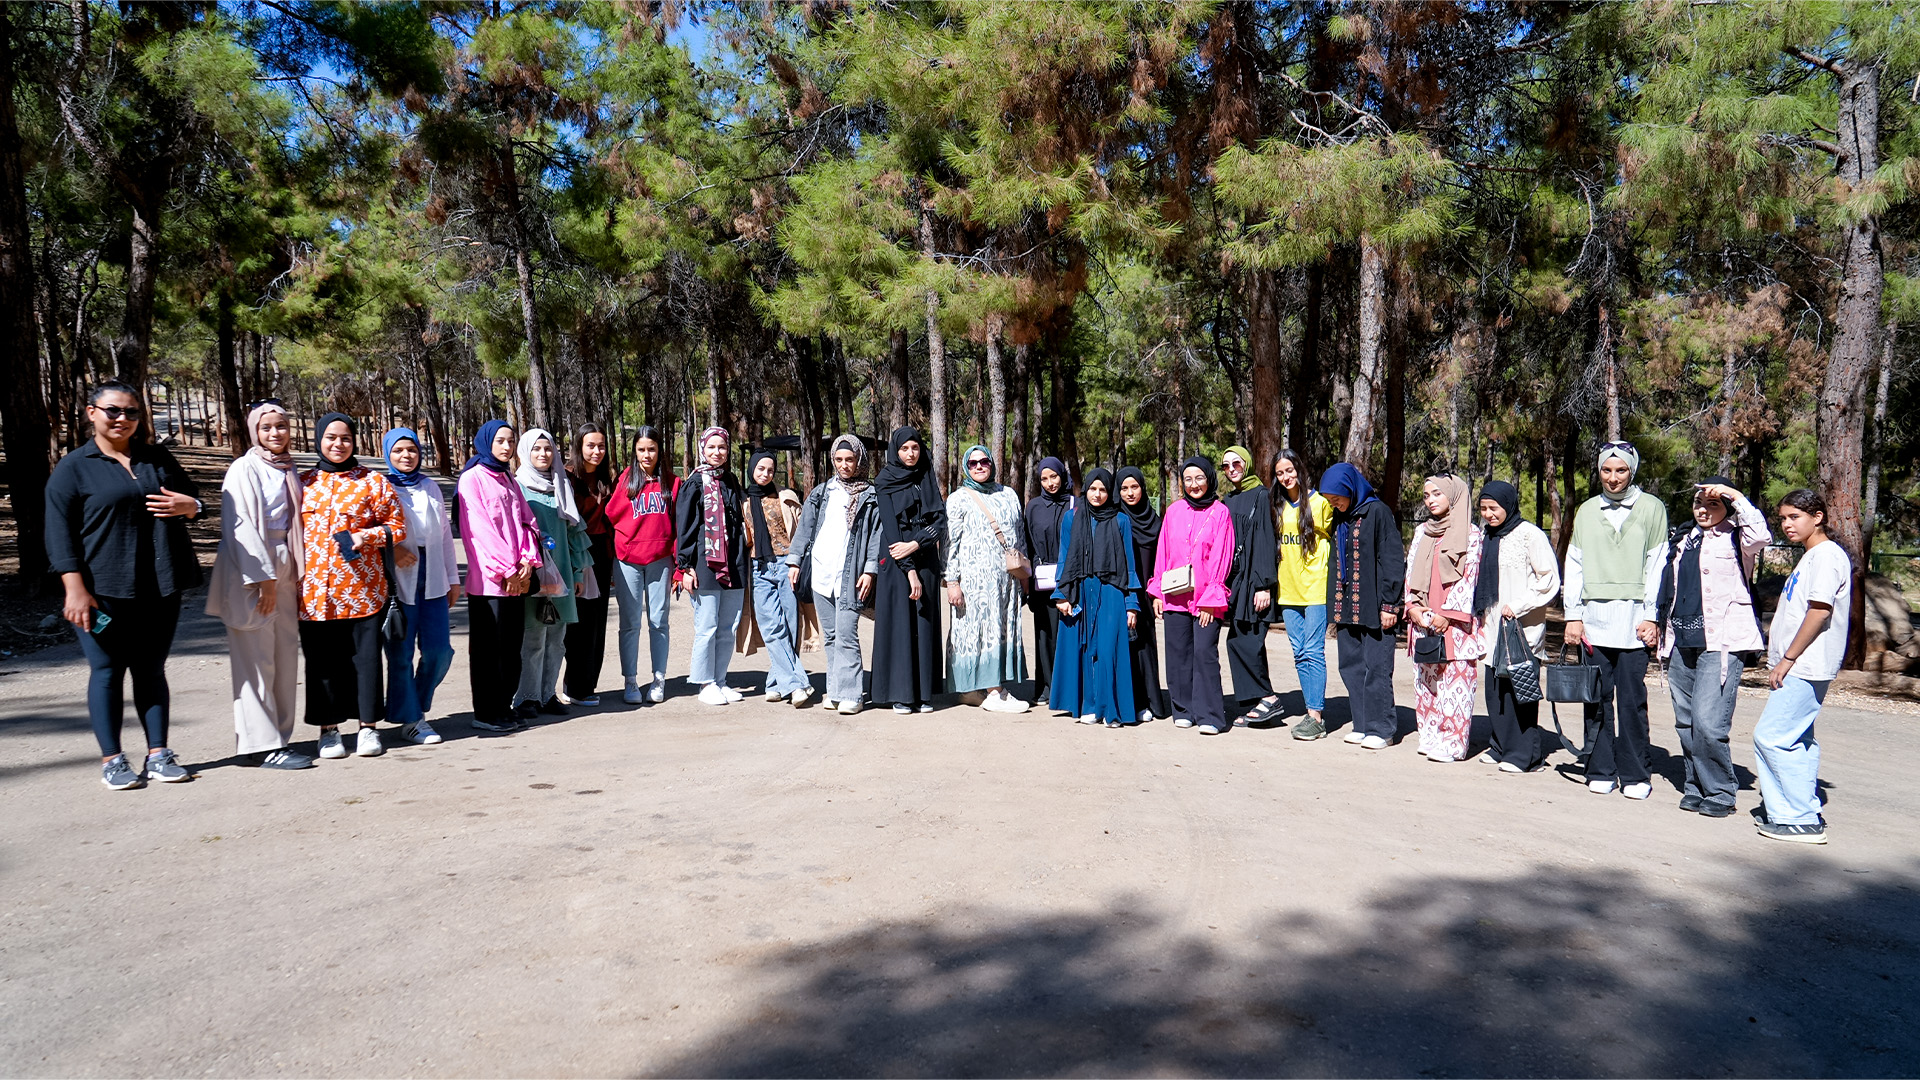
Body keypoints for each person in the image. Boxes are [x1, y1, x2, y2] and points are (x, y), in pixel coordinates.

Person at [47, 380, 205, 788]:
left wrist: (192, 506)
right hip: (102, 590)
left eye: (131, 412)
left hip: (160, 584)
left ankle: (159, 754)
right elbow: (59, 533)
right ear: (91, 413)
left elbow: (193, 501)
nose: (122, 419)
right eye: (113, 410)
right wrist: (74, 589)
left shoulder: (156, 458)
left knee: (151, 669)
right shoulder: (74, 467)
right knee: (107, 670)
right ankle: (113, 760)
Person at [206, 401, 313, 771]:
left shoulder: (288, 468)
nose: (275, 433)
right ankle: (261, 745)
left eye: (281, 426)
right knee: (255, 659)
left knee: (284, 656)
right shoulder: (244, 468)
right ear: (255, 431)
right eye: (266, 427)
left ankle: (280, 737)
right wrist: (263, 580)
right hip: (252, 569)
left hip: (286, 562)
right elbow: (240, 527)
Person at [1656, 477, 1769, 815]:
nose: (1703, 510)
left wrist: (1735, 496)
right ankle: (1695, 785)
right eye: (1699, 504)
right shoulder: (1683, 539)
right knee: (1685, 720)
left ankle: (1720, 791)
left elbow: (1761, 535)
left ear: (1728, 509)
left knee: (1708, 722)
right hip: (1680, 639)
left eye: (1713, 504)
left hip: (1721, 642)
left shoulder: (1738, 537)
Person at [1562, 441, 1668, 799]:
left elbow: (1657, 564)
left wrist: (1651, 615)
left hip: (1634, 621)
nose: (1613, 477)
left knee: (1632, 702)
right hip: (1593, 621)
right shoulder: (1587, 510)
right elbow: (1574, 564)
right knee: (1596, 698)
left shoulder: (1652, 508)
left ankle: (1636, 774)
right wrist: (1573, 615)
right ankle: (1600, 768)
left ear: (1632, 470)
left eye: (1620, 470)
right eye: (1606, 470)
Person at [298, 412, 407, 760]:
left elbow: (397, 527)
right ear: (319, 440)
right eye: (331, 437)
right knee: (321, 664)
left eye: (345, 438)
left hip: (363, 591)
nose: (338, 444)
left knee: (366, 661)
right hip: (315, 595)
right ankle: (328, 730)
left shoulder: (372, 482)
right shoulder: (302, 483)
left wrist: (367, 536)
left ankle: (367, 728)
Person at [1752, 489, 1849, 844]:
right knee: (1798, 739)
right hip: (1799, 664)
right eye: (1783, 518)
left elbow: (1819, 612)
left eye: (1795, 517)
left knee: (1772, 737)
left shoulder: (1826, 556)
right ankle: (1802, 812)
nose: (1787, 524)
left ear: (1817, 517)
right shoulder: (1812, 556)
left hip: (1805, 665)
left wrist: (1788, 659)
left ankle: (1798, 818)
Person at [457, 420, 543, 733]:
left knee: (510, 648)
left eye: (510, 441)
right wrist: (507, 569)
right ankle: (486, 711)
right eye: (500, 441)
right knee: (487, 651)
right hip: (490, 582)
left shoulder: (508, 478)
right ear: (486, 443)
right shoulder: (472, 479)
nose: (507, 447)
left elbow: (527, 522)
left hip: (517, 579)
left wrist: (527, 561)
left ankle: (504, 706)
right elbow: (479, 531)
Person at [786, 434, 881, 714]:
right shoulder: (822, 492)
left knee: (846, 633)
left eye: (850, 459)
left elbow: (875, 536)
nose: (844, 465)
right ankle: (835, 690)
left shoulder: (871, 496)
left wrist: (870, 570)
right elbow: (805, 528)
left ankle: (852, 695)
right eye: (839, 459)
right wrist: (794, 562)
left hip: (851, 574)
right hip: (821, 572)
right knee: (829, 636)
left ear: (860, 460)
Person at [1472, 481, 1561, 773]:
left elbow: (1548, 579)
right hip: (1492, 627)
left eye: (1493, 508)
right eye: (1483, 508)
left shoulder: (1529, 535)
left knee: (1519, 690)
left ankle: (1524, 755)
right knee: (1495, 691)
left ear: (1508, 506)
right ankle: (1500, 746)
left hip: (1521, 628)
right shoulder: (1488, 536)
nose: (1488, 514)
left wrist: (1519, 605)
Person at [380, 427, 461, 746]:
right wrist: (392, 549)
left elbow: (444, 535)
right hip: (397, 579)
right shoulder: (380, 486)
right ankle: (412, 720)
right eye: (398, 450)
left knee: (439, 652)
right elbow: (369, 530)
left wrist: (453, 578)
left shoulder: (429, 486)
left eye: (412, 449)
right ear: (388, 454)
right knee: (400, 654)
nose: (406, 455)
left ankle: (412, 703)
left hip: (434, 576)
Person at [1320, 463, 1404, 750]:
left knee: (1377, 667)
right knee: (1350, 666)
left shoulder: (1377, 512)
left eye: (1337, 498)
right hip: (1347, 605)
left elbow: (1392, 558)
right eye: (1330, 500)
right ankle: (1362, 724)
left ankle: (1381, 729)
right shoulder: (1340, 517)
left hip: (1375, 605)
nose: (1334, 504)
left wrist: (1390, 604)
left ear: (1351, 490)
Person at [1149, 457, 1235, 735]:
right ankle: (1183, 709)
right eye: (1188, 479)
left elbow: (1222, 557)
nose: (1194, 484)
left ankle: (1209, 714)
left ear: (1209, 479)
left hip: (1206, 598)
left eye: (1199, 478)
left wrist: (1211, 600)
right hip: (1174, 595)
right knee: (1177, 654)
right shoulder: (1174, 511)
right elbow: (1163, 552)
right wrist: (1157, 592)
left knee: (1204, 653)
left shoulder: (1220, 513)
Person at [1050, 469, 1142, 726]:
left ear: (1110, 492)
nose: (1097, 494)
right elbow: (1064, 557)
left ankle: (1111, 710)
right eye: (1093, 489)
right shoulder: (1072, 518)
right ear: (1085, 490)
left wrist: (1131, 603)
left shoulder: (1121, 520)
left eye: (1103, 490)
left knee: (1108, 649)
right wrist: (1061, 594)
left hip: (1112, 590)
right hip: (1080, 588)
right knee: (1084, 649)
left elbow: (1129, 564)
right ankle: (1089, 706)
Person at [1403, 473, 1484, 762]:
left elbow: (1470, 578)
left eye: (1437, 494)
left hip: (1454, 623)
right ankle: (1431, 735)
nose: (1430, 500)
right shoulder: (1422, 532)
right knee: (1427, 682)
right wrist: (1412, 606)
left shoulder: (1470, 534)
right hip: (1423, 617)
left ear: (1453, 495)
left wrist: (1448, 615)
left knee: (1455, 683)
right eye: (1426, 495)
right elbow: (1411, 571)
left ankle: (1453, 743)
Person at [944, 445, 1031, 713]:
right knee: (972, 632)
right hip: (973, 583)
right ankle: (994, 693)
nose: (979, 466)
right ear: (966, 467)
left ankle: (977, 690)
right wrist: (952, 582)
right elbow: (951, 544)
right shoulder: (958, 499)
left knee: (998, 629)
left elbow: (1019, 535)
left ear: (992, 464)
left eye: (984, 461)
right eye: (973, 463)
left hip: (1005, 581)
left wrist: (1024, 576)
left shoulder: (1008, 495)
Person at [515, 427, 590, 717]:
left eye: (547, 448)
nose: (543, 454)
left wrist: (579, 574)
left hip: (562, 573)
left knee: (557, 639)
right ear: (526, 452)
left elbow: (573, 533)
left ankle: (548, 694)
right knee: (533, 638)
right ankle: (527, 697)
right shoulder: (518, 486)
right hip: (534, 575)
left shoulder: (561, 485)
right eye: (536, 448)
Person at [871, 427, 947, 713]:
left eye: (915, 448)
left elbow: (939, 521)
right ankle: (901, 694)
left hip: (924, 554)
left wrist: (917, 543)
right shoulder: (884, 480)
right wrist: (909, 570)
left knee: (924, 621)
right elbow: (891, 529)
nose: (911, 454)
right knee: (900, 624)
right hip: (896, 559)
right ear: (896, 450)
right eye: (904, 449)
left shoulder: (926, 475)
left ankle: (924, 693)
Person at [605, 426, 680, 704]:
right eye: (641, 450)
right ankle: (631, 680)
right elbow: (611, 514)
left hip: (661, 560)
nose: (646, 455)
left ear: (659, 451)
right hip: (628, 560)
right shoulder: (626, 480)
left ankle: (659, 679)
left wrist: (678, 565)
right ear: (634, 452)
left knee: (659, 621)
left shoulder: (672, 482)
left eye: (651, 449)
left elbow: (678, 525)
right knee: (630, 623)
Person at [677, 426, 750, 706]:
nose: (717, 452)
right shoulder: (695, 483)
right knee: (707, 626)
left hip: (734, 562)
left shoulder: (731, 480)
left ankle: (720, 680)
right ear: (702, 449)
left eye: (722, 447)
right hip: (705, 564)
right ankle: (705, 682)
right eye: (711, 447)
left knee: (728, 626)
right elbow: (685, 527)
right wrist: (685, 566)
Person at [1271, 449, 1334, 741]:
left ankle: (1315, 717)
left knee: (1313, 650)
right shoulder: (1277, 506)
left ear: (1299, 469)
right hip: (1288, 590)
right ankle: (1312, 713)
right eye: (1280, 473)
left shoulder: (1320, 503)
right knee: (1298, 652)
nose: (1286, 477)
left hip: (1315, 588)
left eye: (1289, 470)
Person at [742, 450, 811, 705]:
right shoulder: (743, 501)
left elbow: (801, 532)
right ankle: (797, 684)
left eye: (770, 470)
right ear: (752, 469)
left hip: (786, 565)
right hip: (759, 568)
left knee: (790, 626)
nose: (765, 474)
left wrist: (797, 562)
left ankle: (775, 683)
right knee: (771, 628)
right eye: (760, 469)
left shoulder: (786, 496)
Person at [1218, 445, 1281, 725]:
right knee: (1238, 640)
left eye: (1237, 463)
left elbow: (1266, 541)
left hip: (1255, 581)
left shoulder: (1261, 495)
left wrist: (1264, 586)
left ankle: (1268, 698)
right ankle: (1257, 702)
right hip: (1237, 582)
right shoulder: (1229, 499)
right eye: (1226, 465)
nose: (1231, 469)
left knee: (1249, 640)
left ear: (1247, 464)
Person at [563, 423, 616, 706]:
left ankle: (587, 685)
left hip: (601, 554)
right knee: (578, 624)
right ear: (579, 446)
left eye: (601, 446)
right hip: (575, 551)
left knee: (596, 624)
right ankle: (574, 687)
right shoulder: (567, 477)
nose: (597, 451)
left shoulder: (608, 479)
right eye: (591, 445)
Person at [1116, 465, 1171, 722]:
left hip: (1146, 595)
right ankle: (1128, 703)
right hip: (1120, 592)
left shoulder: (1155, 521)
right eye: (1124, 488)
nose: (1130, 493)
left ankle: (1149, 701)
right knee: (1123, 649)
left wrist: (1158, 593)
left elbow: (1163, 560)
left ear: (1143, 488)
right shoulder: (1116, 518)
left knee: (1145, 648)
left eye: (1134, 487)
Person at [1022, 457, 1073, 703]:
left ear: (1062, 475)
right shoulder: (1033, 507)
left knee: (1067, 634)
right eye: (1044, 478)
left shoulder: (1075, 504)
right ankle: (1046, 687)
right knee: (1044, 635)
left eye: (1054, 476)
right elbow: (1028, 544)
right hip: (1042, 582)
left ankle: (1068, 688)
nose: (1050, 483)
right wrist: (1028, 583)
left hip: (1069, 579)